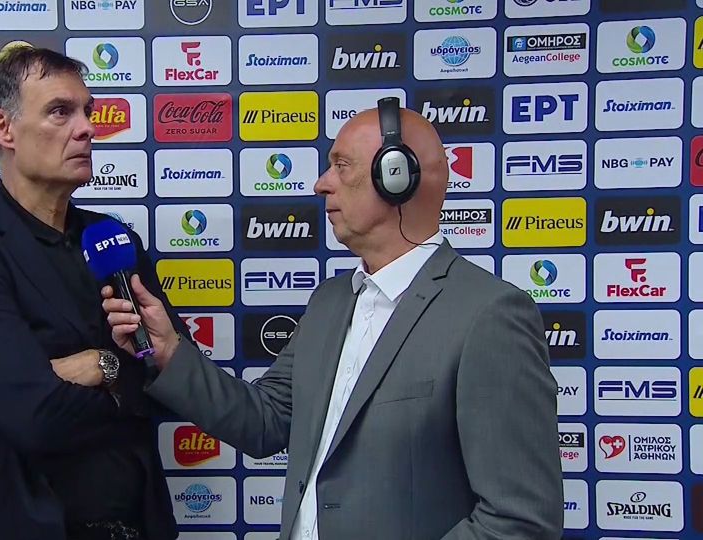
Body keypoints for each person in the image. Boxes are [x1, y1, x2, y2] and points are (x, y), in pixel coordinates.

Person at [99, 99, 564, 539]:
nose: (321, 184)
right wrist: (170, 351)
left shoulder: (489, 316)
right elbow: (265, 421)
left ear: (396, 177)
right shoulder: (330, 302)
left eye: (342, 166)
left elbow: (519, 520)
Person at [0, 46, 188, 540]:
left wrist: (95, 369)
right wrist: (122, 371)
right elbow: (34, 416)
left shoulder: (114, 240)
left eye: (88, 110)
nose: (87, 128)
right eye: (60, 112)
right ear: (2, 128)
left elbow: (176, 381)